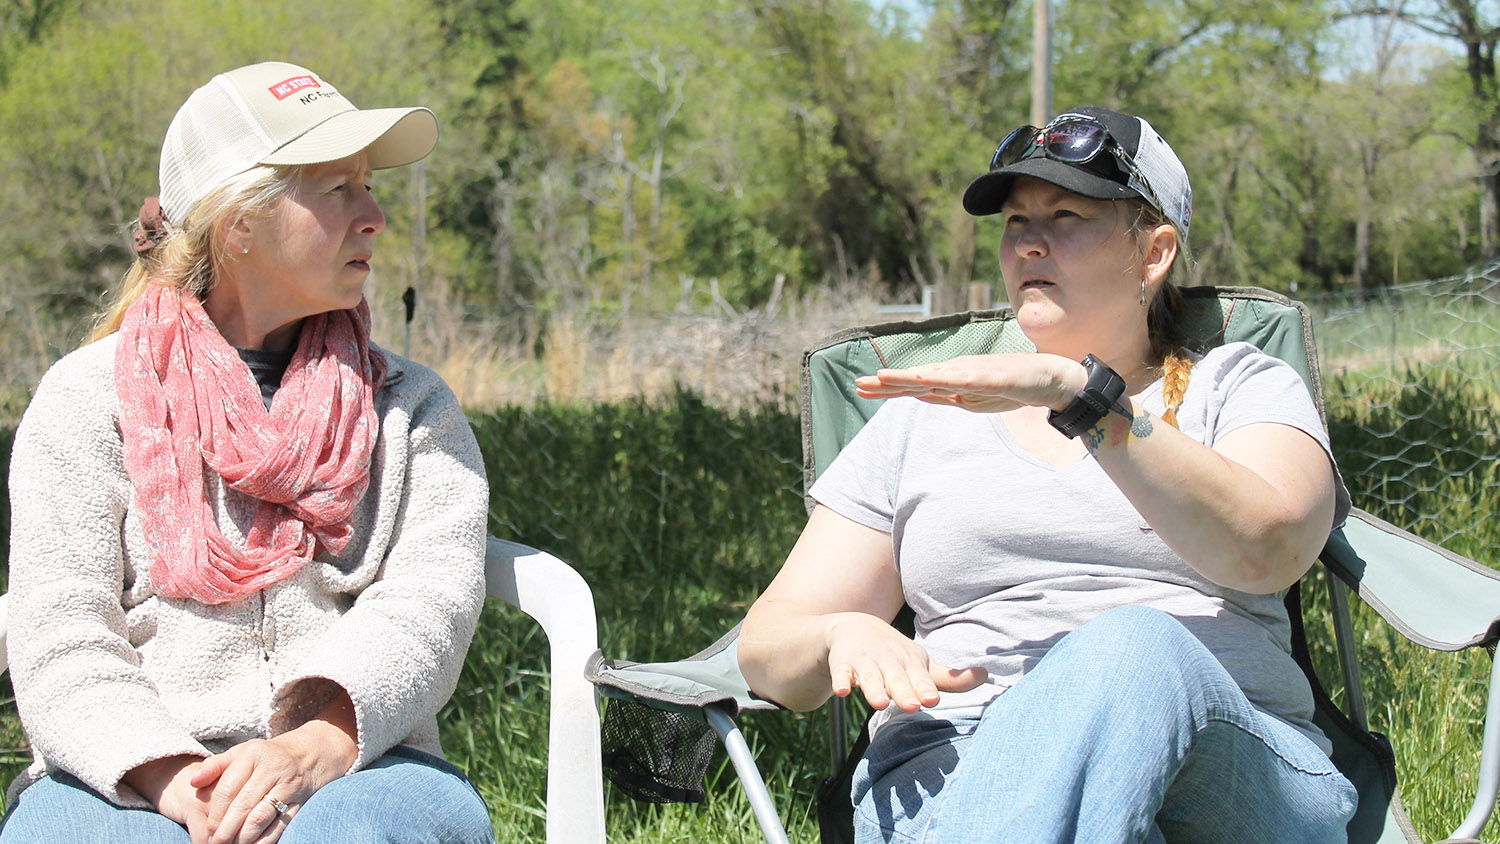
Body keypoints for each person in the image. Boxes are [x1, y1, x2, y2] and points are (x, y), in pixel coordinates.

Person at [737, 106, 1359, 843]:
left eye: (1065, 215)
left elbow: (1270, 548)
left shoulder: (1241, 386)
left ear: (1154, 252)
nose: (1030, 241)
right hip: (954, 768)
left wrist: (1077, 394)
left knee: (1132, 648)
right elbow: (768, 650)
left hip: (1229, 772)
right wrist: (838, 634)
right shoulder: (923, 416)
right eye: (1014, 222)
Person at [1, 61, 493, 844]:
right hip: (124, 776)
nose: (375, 217)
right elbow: (62, 636)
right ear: (240, 224)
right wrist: (183, 787)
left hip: (361, 766)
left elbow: (429, 606)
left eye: (370, 187)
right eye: (340, 189)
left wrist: (312, 748)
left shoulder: (410, 409)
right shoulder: (86, 403)